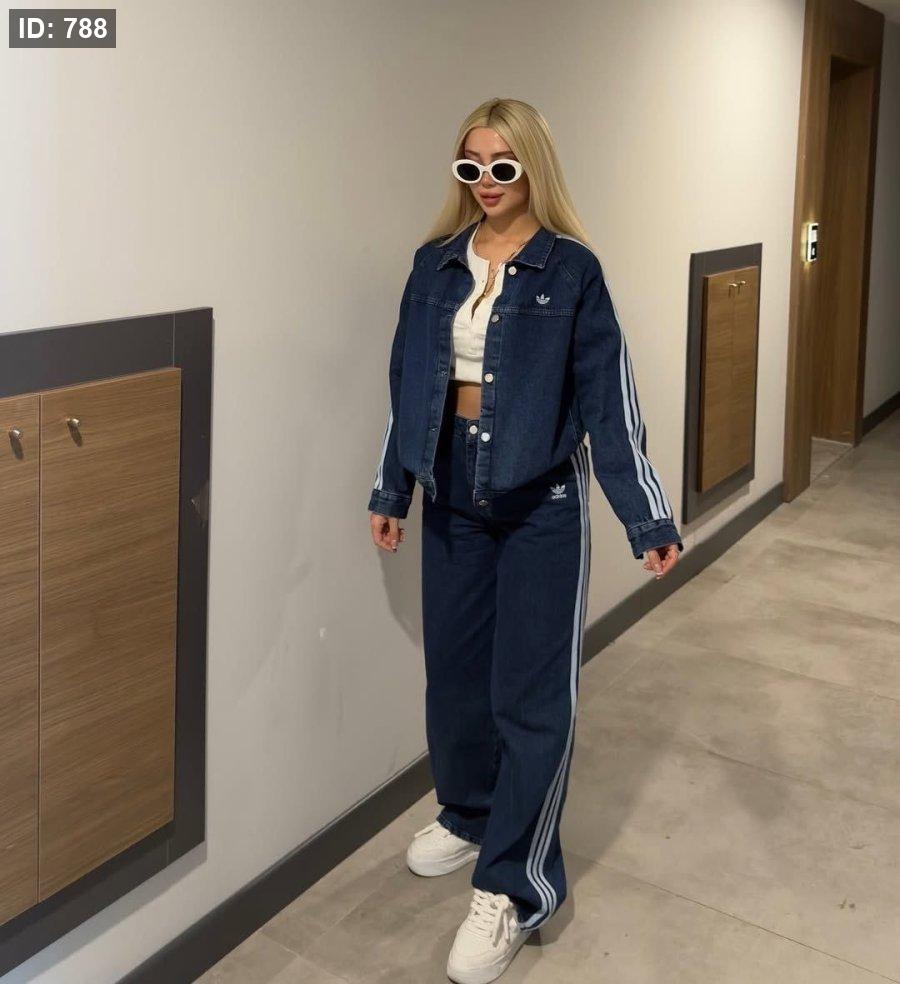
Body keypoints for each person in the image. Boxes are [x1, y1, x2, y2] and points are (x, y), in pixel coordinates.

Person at [367, 96, 684, 984]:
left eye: (502, 166)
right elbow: (407, 384)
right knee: (456, 682)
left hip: (540, 503)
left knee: (532, 698)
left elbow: (609, 403)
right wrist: (392, 487)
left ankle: (514, 884)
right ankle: (470, 814)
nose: (487, 181)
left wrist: (646, 515)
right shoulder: (434, 264)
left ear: (532, 167)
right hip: (451, 495)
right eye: (471, 166)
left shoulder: (570, 270)